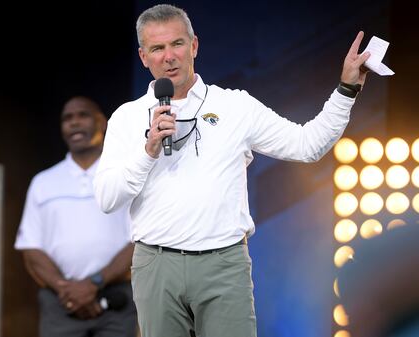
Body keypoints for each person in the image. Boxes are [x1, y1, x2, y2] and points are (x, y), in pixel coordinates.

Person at [93, 4, 371, 337]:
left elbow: (307, 145)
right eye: (157, 48)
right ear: (143, 56)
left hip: (223, 265)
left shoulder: (235, 106)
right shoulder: (126, 117)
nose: (169, 56)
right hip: (156, 265)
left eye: (177, 44)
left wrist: (346, 90)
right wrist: (148, 151)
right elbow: (107, 199)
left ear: (194, 45)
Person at [14, 96, 137, 337]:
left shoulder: (126, 177)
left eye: (83, 115)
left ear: (102, 123)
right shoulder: (43, 182)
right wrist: (68, 290)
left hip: (117, 300)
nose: (74, 122)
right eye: (67, 118)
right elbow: (31, 250)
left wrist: (93, 284)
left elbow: (139, 242)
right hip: (61, 303)